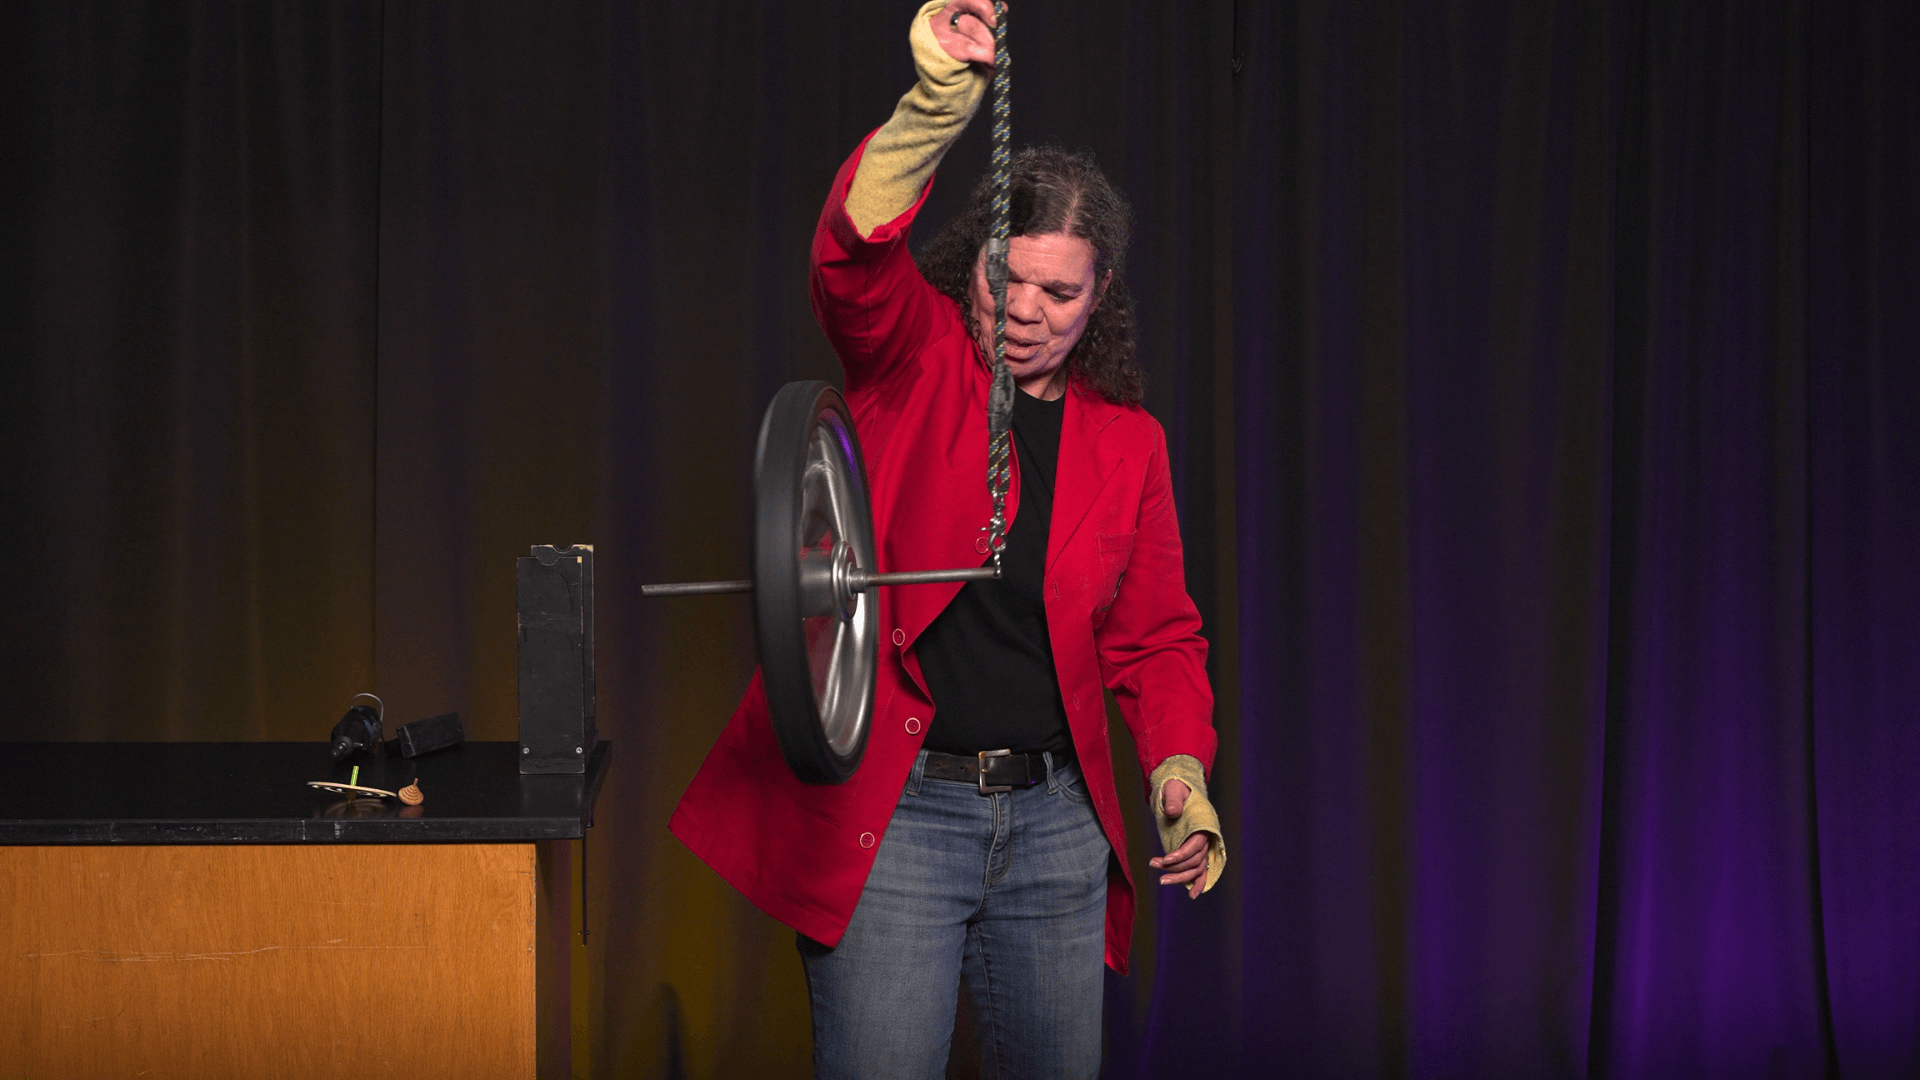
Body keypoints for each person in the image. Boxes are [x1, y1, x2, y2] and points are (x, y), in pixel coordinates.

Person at [669, 2, 1224, 1075]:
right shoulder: (912, 355)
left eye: (1058, 292)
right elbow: (850, 256)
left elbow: (1156, 637)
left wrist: (1179, 772)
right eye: (1002, 276)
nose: (1023, 308)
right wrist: (937, 101)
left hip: (1059, 827)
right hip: (900, 819)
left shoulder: (1131, 446)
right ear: (971, 259)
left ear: (1099, 293)